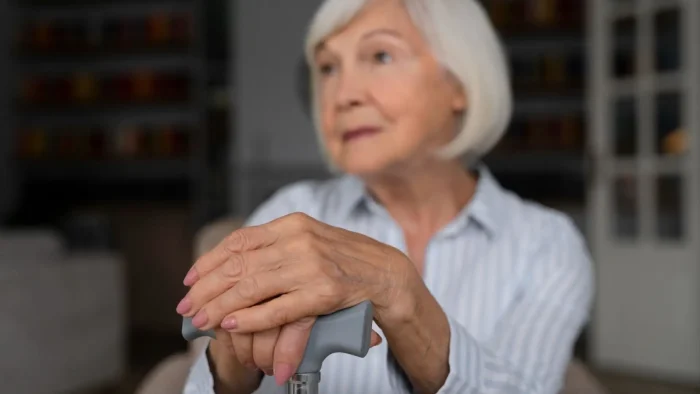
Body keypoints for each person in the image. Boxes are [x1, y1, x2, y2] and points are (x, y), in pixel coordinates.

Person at [179, 0, 594, 392]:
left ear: (461, 83)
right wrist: (231, 363)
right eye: (327, 68)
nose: (343, 95)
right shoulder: (290, 214)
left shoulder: (547, 245)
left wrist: (400, 292)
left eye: (380, 56)